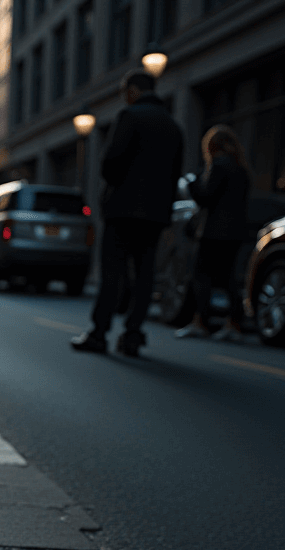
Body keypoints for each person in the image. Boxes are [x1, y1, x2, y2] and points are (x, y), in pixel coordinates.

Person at [72, 70, 184, 356]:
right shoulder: (173, 126)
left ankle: (99, 333)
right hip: (155, 215)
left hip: (122, 210)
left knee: (113, 273)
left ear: (133, 91)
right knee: (145, 275)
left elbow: (110, 164)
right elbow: (174, 175)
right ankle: (133, 334)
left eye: (124, 91)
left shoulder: (130, 117)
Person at [176, 124, 251, 342]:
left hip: (213, 232)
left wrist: (192, 184)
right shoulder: (242, 169)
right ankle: (234, 324)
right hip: (235, 233)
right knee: (228, 279)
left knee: (202, 276)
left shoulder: (218, 166)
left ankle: (201, 322)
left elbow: (205, 197)